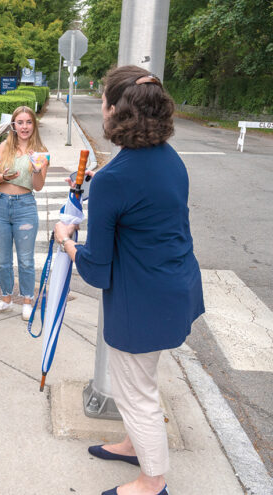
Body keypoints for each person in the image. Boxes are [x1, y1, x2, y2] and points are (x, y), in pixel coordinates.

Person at [53, 65, 204, 495]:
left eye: (103, 100)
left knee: (136, 392)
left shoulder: (116, 178)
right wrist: (97, 201)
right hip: (173, 284)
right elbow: (143, 217)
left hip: (140, 299)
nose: (100, 108)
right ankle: (133, 444)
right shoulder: (167, 158)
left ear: (117, 110)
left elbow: (95, 267)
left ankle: (152, 482)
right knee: (142, 382)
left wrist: (67, 238)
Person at [0, 106, 49, 320]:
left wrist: (38, 169)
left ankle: (27, 301)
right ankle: (6, 299)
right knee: (2, 259)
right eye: (20, 122)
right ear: (13, 125)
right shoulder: (5, 146)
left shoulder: (40, 151)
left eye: (28, 122)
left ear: (34, 125)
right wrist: (3, 176)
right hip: (0, 205)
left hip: (25, 206)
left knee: (26, 259)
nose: (24, 127)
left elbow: (38, 186)